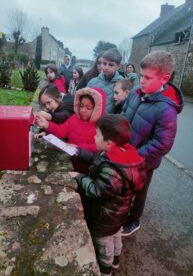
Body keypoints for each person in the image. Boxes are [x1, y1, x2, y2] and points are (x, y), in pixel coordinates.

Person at [68, 114, 146, 276]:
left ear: (109, 143)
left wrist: (80, 177)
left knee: (103, 244)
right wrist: (79, 152)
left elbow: (96, 191)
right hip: (118, 214)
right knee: (116, 236)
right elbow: (99, 159)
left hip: (104, 217)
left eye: (97, 135)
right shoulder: (123, 154)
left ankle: (105, 270)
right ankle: (116, 260)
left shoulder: (113, 170)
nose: (94, 137)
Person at [121, 50, 184, 236]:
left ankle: (134, 220)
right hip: (124, 152)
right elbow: (124, 114)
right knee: (124, 186)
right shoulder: (135, 91)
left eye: (148, 77)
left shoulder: (166, 110)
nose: (142, 81)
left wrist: (135, 155)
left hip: (143, 162)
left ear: (164, 79)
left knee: (139, 191)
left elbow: (162, 144)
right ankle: (121, 211)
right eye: (141, 76)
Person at [35, 87, 106, 173]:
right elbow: (61, 131)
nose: (83, 110)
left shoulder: (101, 126)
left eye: (88, 108)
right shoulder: (74, 118)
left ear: (97, 109)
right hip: (72, 162)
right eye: (81, 106)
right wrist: (47, 125)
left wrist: (78, 147)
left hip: (87, 168)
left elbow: (99, 148)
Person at [87, 48, 123, 113]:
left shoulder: (123, 84)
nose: (106, 67)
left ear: (118, 66)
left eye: (111, 65)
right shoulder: (92, 82)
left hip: (110, 121)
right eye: (104, 63)